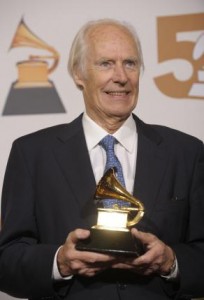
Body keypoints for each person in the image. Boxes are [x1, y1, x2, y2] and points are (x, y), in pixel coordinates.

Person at [0, 18, 204, 300]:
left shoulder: (187, 152)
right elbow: (7, 260)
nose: (121, 76)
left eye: (130, 63)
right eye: (106, 63)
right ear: (78, 74)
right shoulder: (31, 154)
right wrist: (59, 262)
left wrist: (171, 261)